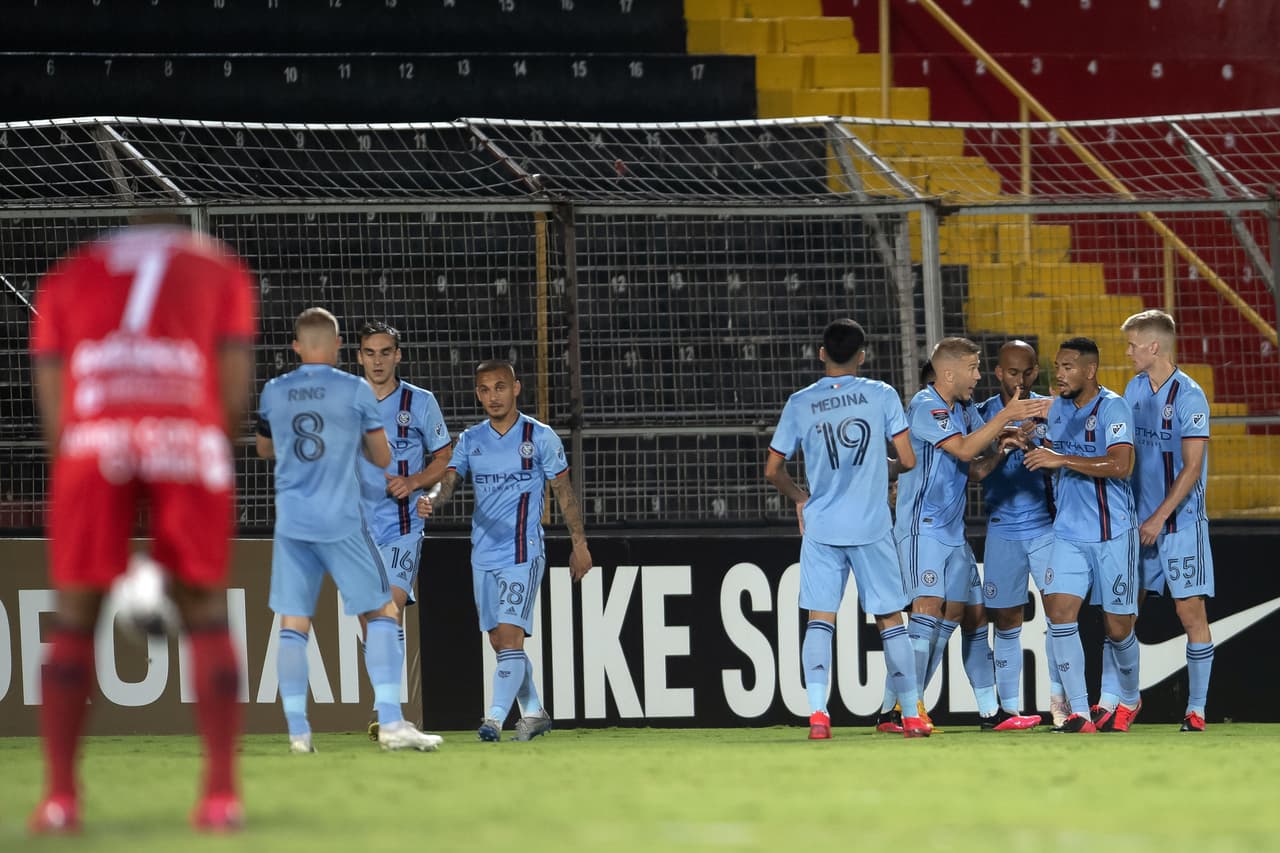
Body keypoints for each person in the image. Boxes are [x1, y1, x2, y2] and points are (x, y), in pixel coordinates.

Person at [29, 223, 257, 833]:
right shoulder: (219, 267)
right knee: (205, 608)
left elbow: (53, 390)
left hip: (92, 436)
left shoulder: (68, 273)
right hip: (186, 431)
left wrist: (77, 456)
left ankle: (59, 800)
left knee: (76, 613)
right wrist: (206, 441)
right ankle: (219, 797)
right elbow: (233, 382)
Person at [257, 308, 441, 754]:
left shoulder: (274, 391)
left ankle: (299, 732)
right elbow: (381, 458)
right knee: (382, 614)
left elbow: (265, 450)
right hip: (341, 520)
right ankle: (392, 721)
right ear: (341, 348)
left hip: (294, 522)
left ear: (297, 347)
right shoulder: (354, 390)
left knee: (293, 624)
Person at [765, 319, 929, 740]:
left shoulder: (800, 402)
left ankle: (818, 715)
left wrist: (801, 498)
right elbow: (908, 460)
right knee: (891, 619)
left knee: (821, 618)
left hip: (822, 527)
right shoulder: (882, 395)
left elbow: (773, 469)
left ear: (821, 353)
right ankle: (911, 716)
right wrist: (884, 466)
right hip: (872, 525)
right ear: (862, 355)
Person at [416, 359, 592, 742]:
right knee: (499, 641)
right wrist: (430, 498)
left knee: (511, 636)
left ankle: (493, 718)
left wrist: (579, 544)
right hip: (483, 553)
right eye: (484, 389)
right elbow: (448, 483)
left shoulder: (540, 436)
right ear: (477, 393)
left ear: (516, 388)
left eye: (499, 387)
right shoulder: (471, 440)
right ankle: (534, 712)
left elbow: (564, 492)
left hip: (522, 552)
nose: (492, 396)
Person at [894, 337, 1049, 730]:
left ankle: (990, 714)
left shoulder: (962, 410)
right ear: (950, 372)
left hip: (952, 533)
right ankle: (902, 711)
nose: (979, 376)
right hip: (922, 529)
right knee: (925, 616)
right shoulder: (926, 406)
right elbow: (964, 451)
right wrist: (1003, 421)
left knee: (977, 618)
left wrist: (1006, 445)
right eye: (974, 368)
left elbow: (976, 468)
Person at [1024, 337, 1139, 733]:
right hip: (1068, 533)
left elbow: (1121, 465)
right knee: (1059, 616)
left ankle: (1130, 696)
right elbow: (1055, 453)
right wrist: (1031, 445)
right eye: (1058, 366)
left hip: (1112, 534)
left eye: (1069, 367)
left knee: (1118, 628)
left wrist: (1060, 459)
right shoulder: (1057, 410)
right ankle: (1079, 713)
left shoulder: (1113, 407)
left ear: (1090, 371)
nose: (1060, 374)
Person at [354, 321, 452, 740]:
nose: (378, 361)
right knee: (370, 620)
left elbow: (444, 457)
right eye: (370, 353)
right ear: (359, 356)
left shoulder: (421, 402)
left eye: (385, 352)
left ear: (398, 355)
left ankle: (389, 716)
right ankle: (386, 710)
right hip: (355, 528)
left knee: (387, 611)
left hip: (402, 523)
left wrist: (414, 483)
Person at [1121, 310, 1214, 732]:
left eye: (1132, 345)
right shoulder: (1133, 389)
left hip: (1179, 524)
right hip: (1139, 523)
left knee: (1189, 613)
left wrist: (1159, 516)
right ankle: (1122, 701)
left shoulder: (1191, 396)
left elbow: (1192, 468)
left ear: (1153, 347)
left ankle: (1196, 709)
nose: (1127, 353)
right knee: (1123, 612)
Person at [973, 340, 1056, 730]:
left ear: (1035, 372)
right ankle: (1008, 711)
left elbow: (1070, 464)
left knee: (1062, 616)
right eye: (1011, 372)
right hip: (1003, 528)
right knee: (1006, 619)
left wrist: (1043, 443)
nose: (1018, 380)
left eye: (1025, 372)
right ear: (997, 373)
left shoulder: (1050, 411)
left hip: (1046, 527)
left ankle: (1065, 707)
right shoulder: (981, 416)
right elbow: (972, 470)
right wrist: (1003, 445)